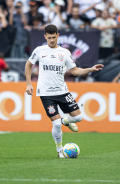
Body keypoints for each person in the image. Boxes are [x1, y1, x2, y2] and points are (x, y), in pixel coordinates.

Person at [24, 24, 104, 158]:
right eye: (49, 38)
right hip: (46, 93)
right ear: (45, 36)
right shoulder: (39, 50)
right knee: (55, 124)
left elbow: (74, 71)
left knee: (78, 117)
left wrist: (90, 69)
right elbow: (28, 65)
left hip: (62, 91)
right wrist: (28, 84)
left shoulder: (65, 53)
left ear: (57, 36)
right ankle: (60, 150)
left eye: (53, 37)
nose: (51, 40)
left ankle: (65, 121)